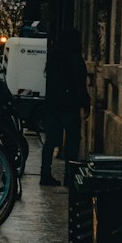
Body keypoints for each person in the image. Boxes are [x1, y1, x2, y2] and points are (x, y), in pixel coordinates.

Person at [39, 28, 90, 186]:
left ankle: (45, 174)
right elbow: (79, 84)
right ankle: (70, 176)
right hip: (69, 106)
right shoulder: (75, 58)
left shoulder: (53, 57)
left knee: (51, 141)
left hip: (53, 106)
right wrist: (85, 102)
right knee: (72, 142)